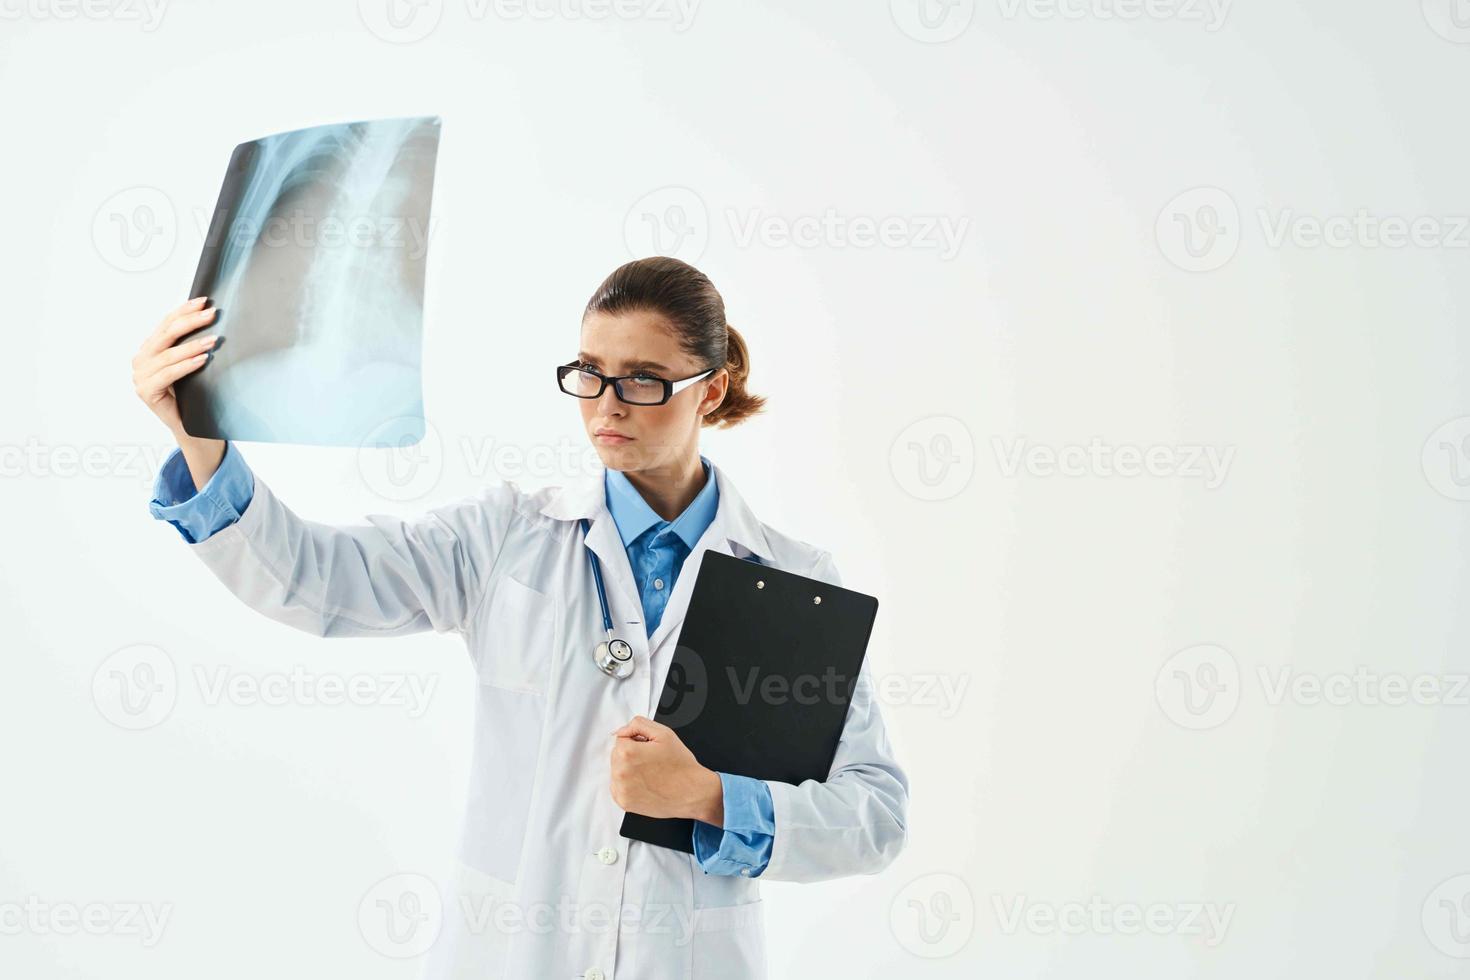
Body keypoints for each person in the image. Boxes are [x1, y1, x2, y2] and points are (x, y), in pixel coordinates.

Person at [131, 256, 908, 980]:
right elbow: (315, 581)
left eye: (643, 380)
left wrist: (710, 797)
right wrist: (201, 440)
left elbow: (874, 814)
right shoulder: (505, 537)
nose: (607, 405)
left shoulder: (793, 581)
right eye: (591, 374)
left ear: (710, 388)